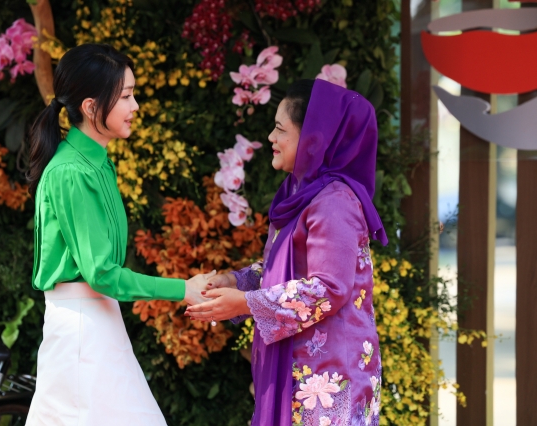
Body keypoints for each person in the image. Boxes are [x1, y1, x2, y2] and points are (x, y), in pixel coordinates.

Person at [25, 43, 212, 425]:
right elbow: (102, 274)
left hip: (96, 323)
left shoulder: (95, 164)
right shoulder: (72, 172)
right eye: (126, 96)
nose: (136, 105)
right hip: (82, 330)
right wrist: (183, 289)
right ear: (91, 107)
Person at [186, 78, 388, 426]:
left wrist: (246, 303)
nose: (271, 139)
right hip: (305, 368)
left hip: (329, 378)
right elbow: (283, 269)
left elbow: (328, 288)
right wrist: (233, 281)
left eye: (280, 129)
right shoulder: (301, 192)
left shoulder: (334, 202)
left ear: (313, 138)